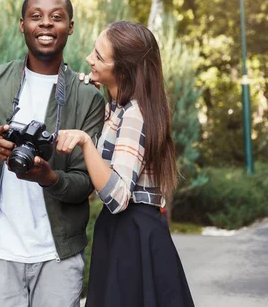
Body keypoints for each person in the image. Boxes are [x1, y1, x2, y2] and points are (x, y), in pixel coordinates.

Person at [0, 0, 105, 307]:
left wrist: (48, 177)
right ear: (22, 25)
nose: (46, 24)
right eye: (36, 17)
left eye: (57, 17)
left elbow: (84, 184)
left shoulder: (87, 96)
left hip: (58, 256)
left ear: (71, 27)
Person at [57, 21, 195, 307]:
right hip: (127, 233)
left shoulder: (134, 115)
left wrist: (84, 141)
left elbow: (118, 197)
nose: (89, 59)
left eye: (99, 57)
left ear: (123, 71)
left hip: (133, 235)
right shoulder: (120, 108)